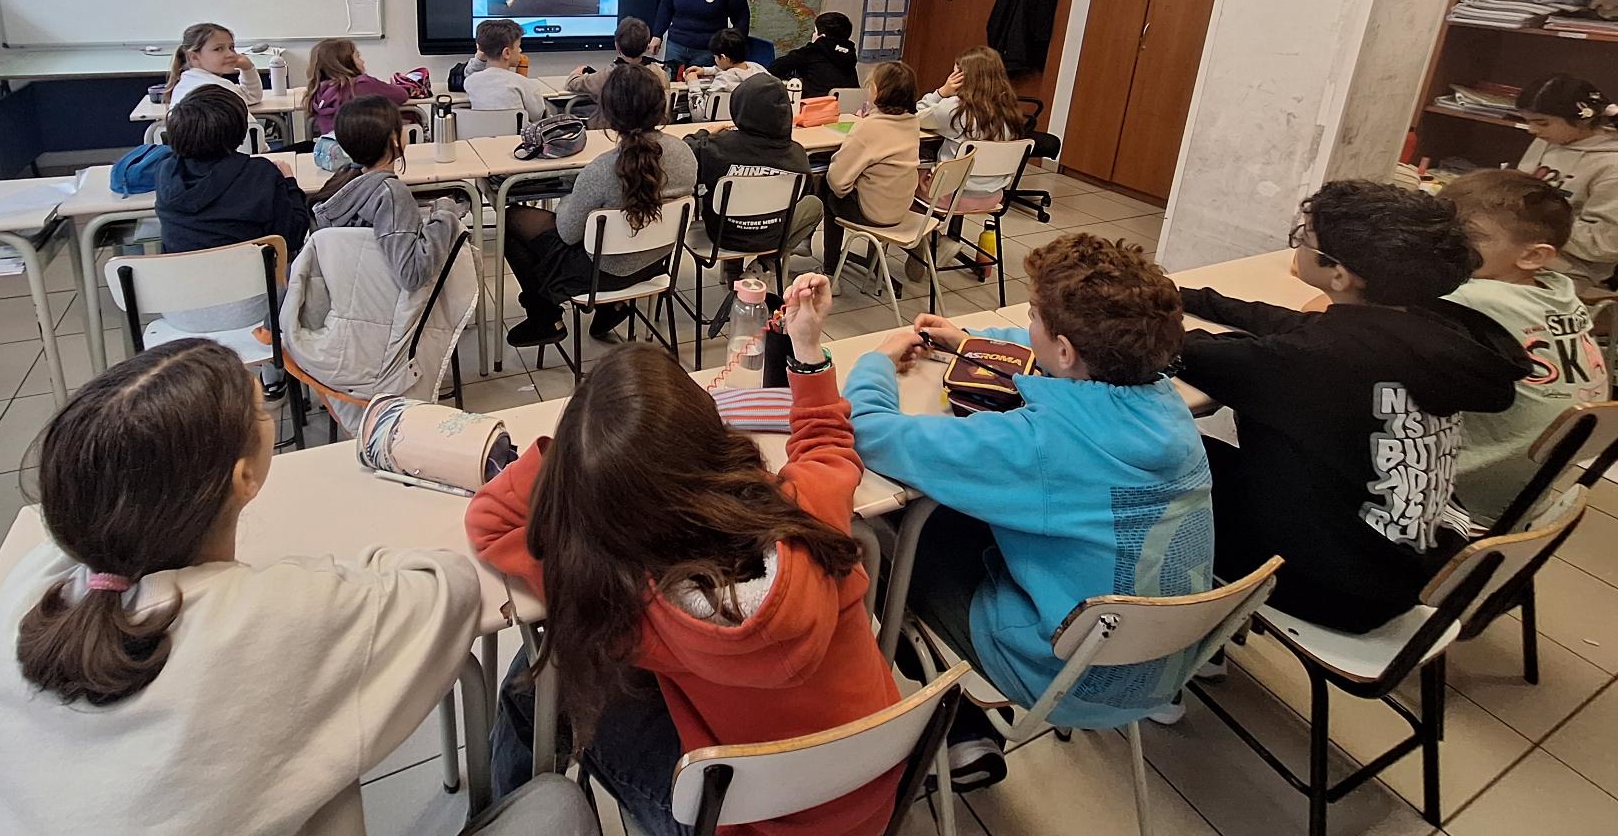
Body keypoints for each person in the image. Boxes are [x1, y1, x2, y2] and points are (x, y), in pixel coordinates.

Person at [0, 338, 481, 835]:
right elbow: (450, 588)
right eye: (260, 409)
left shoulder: (28, 591)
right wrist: (350, 573)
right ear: (244, 479)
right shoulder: (280, 613)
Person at [467, 277, 903, 836]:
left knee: (534, 683)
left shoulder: (622, 598)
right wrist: (807, 346)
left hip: (744, 825)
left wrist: (574, 462)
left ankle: (506, 818)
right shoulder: (802, 515)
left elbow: (489, 518)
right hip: (871, 795)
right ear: (713, 437)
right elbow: (827, 447)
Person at [847, 233, 1213, 788]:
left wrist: (877, 360)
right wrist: (973, 343)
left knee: (884, 532)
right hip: (1160, 659)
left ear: (1064, 350)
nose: (1028, 323)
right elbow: (1059, 353)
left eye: (1033, 317)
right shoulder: (1168, 404)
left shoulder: (1039, 443)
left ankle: (959, 728)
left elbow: (869, 431)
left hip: (1063, 674)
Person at [1177, 179, 1528, 633]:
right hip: (1401, 558)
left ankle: (1171, 625)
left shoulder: (1318, 361)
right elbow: (1299, 325)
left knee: (1154, 459)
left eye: (1304, 238)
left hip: (1332, 585)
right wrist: (1192, 298)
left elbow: (1180, 350)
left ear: (1340, 276)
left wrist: (1140, 310)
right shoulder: (1431, 332)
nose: (1297, 246)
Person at [1440, 169, 1610, 526]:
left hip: (1464, 495)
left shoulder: (1474, 297)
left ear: (1533, 256)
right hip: (1528, 491)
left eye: (1468, 237)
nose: (1444, 243)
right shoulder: (1560, 291)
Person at [503, 62, 695, 347]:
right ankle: (612, 307)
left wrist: (569, 199)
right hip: (655, 264)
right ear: (661, 105)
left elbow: (568, 234)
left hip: (600, 273)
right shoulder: (685, 154)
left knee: (510, 219)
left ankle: (544, 316)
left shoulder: (601, 169)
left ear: (608, 112)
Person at [154, 85, 313, 333]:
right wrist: (290, 183)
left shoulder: (166, 172)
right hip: (253, 309)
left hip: (178, 310)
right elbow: (293, 235)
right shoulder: (259, 173)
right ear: (239, 130)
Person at [311, 97, 465, 292]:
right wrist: (445, 214)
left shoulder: (341, 186)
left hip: (358, 297)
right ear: (393, 138)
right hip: (394, 303)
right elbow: (412, 275)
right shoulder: (391, 195)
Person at [910, 44, 1028, 282]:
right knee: (952, 172)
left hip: (951, 196)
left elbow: (915, 117)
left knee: (904, 180)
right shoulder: (1011, 111)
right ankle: (935, 241)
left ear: (964, 76)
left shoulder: (955, 109)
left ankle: (932, 240)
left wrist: (942, 91)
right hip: (992, 196)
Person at [684, 71, 820, 265]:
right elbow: (803, 193)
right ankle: (765, 264)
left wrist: (704, 133)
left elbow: (685, 156)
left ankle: (734, 270)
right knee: (815, 204)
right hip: (772, 235)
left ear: (739, 107)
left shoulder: (716, 147)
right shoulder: (797, 154)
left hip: (723, 234)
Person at [1514, 72, 1618, 294]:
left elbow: (1606, 244)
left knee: (1481, 293)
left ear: (1583, 119)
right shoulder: (1550, 139)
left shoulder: (1612, 165)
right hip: (1519, 244)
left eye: (1542, 123)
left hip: (1569, 267)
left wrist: (1537, 220)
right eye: (1528, 122)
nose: (1532, 130)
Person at [820, 60, 920, 275]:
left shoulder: (868, 128)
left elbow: (838, 182)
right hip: (901, 209)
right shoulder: (913, 122)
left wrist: (850, 186)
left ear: (878, 92)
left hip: (872, 214)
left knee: (826, 187)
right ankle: (873, 264)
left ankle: (830, 269)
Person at [565, 15, 666, 126]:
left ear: (617, 45)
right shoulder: (658, 73)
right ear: (647, 45)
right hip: (648, 129)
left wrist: (577, 73)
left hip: (611, 131)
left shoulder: (608, 75)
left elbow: (572, 83)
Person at [303, 37, 408, 139]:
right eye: (358, 56)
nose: (363, 61)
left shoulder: (317, 91)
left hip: (331, 146)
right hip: (365, 144)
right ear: (346, 62)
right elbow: (401, 95)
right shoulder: (361, 84)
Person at [464, 18, 547, 120]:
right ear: (507, 53)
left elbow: (470, 73)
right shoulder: (525, 84)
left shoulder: (470, 82)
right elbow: (537, 115)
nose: (520, 50)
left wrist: (480, 57)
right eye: (518, 46)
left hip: (482, 130)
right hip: (516, 130)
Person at [165, 21, 262, 109]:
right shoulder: (216, 88)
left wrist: (247, 68)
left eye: (231, 47)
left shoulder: (187, 82)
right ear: (194, 57)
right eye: (218, 49)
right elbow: (251, 97)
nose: (231, 54)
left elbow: (249, 97)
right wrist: (248, 69)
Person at [681, 27, 769, 119]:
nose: (715, 60)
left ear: (723, 57)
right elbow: (735, 70)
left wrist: (693, 84)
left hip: (717, 125)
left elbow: (699, 115)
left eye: (715, 57)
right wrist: (705, 71)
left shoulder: (723, 80)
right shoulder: (759, 69)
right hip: (753, 122)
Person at [767, 11, 861, 97]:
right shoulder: (850, 57)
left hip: (815, 107)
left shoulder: (812, 51)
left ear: (822, 37)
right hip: (849, 108)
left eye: (815, 32)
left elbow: (774, 68)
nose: (813, 35)